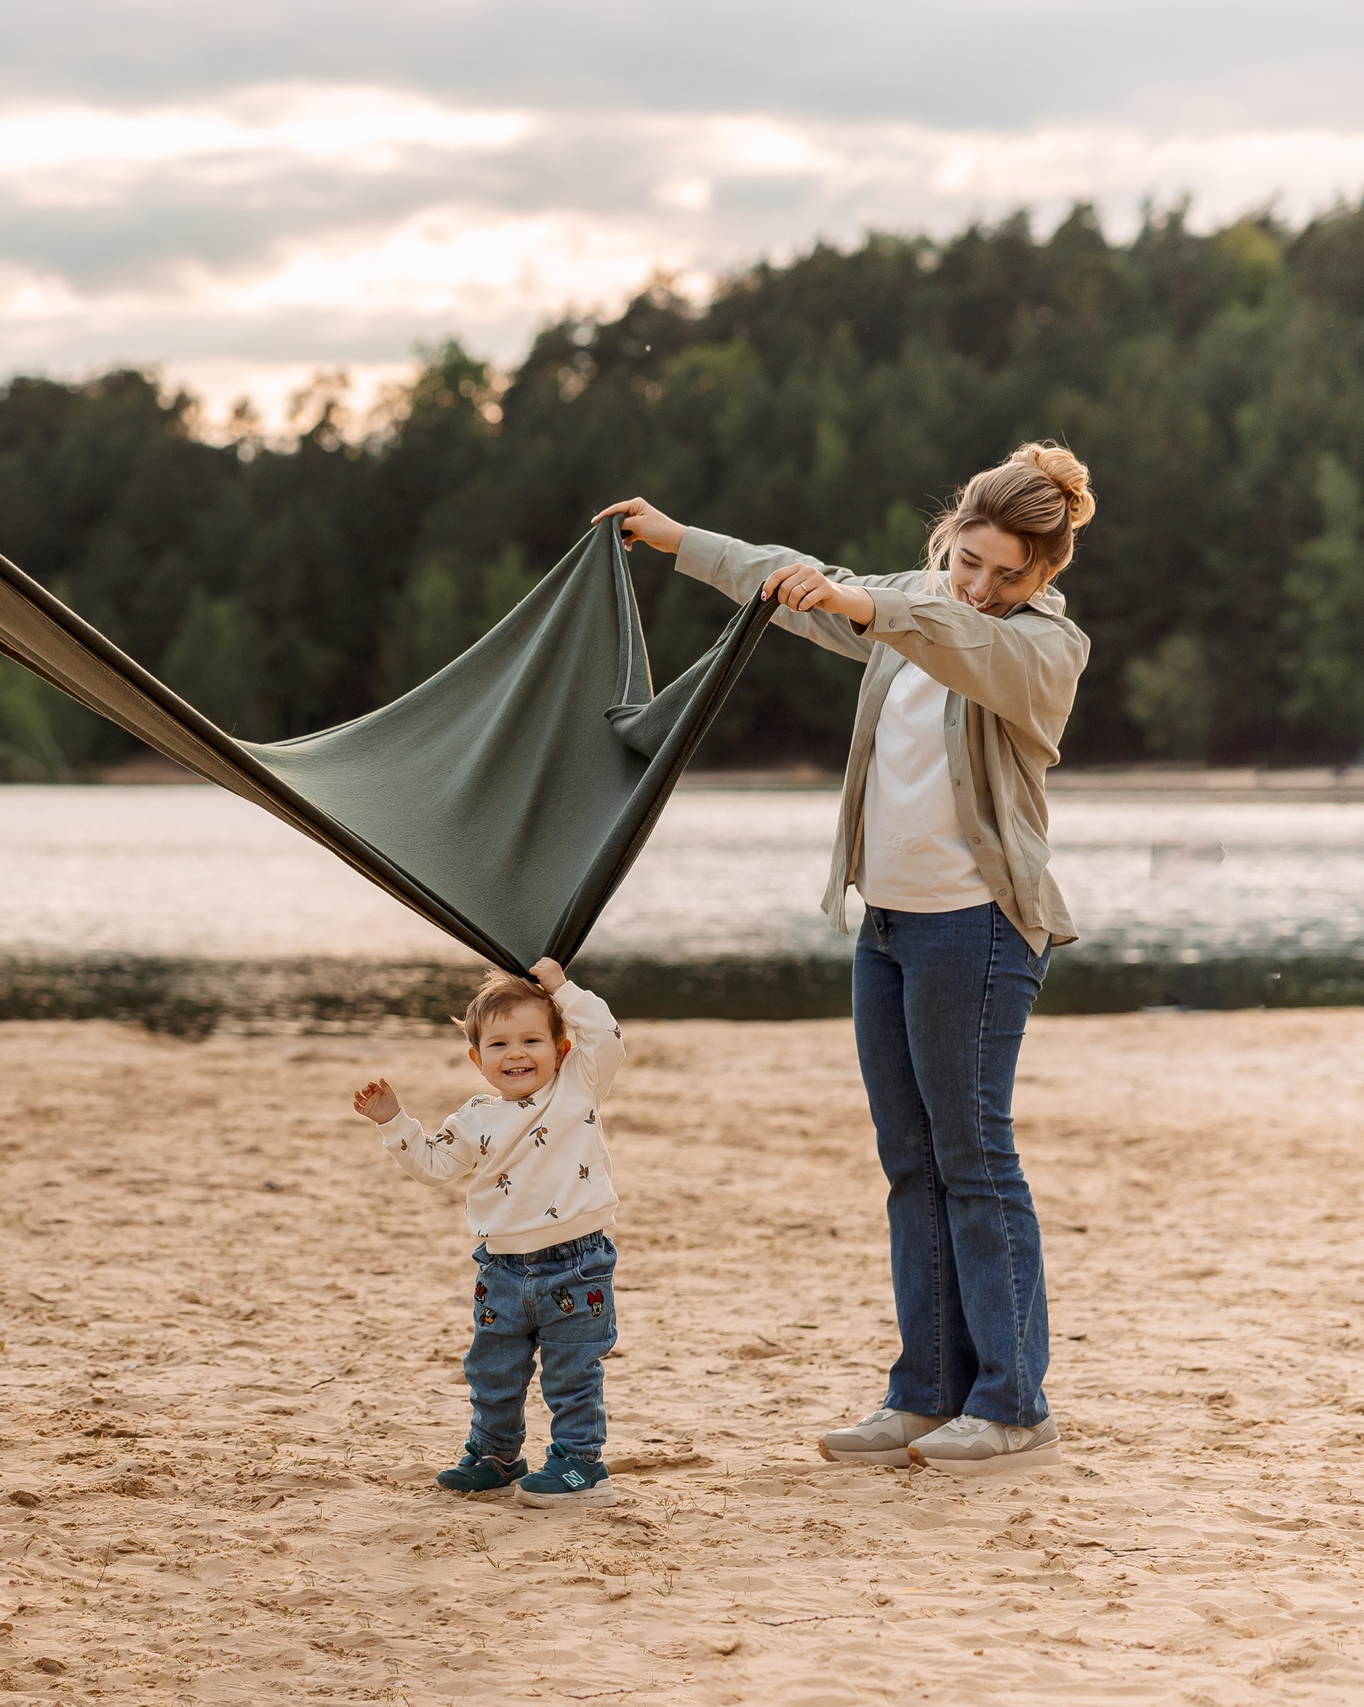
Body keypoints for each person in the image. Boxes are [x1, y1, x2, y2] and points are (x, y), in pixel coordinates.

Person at [593, 442, 1094, 1477]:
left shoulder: (1042, 649)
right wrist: (682, 541)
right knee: (910, 1166)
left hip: (981, 927)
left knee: (975, 1159)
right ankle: (924, 1396)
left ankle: (1013, 1404)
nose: (980, 586)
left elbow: (937, 629)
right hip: (892, 926)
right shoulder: (906, 603)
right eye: (967, 560)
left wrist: (870, 602)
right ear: (948, 535)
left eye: (1008, 572)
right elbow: (798, 581)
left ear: (1045, 573)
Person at [352, 958, 626, 1507]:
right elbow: (433, 1167)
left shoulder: (578, 1085)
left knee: (572, 1372)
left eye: (532, 1040)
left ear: (562, 1049)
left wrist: (562, 989)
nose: (517, 1053)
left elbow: (605, 1032)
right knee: (493, 1369)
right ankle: (496, 1455)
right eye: (499, 1045)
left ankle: (581, 1464)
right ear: (478, 1060)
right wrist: (394, 1121)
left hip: (576, 1264)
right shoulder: (475, 1117)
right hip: (500, 1267)